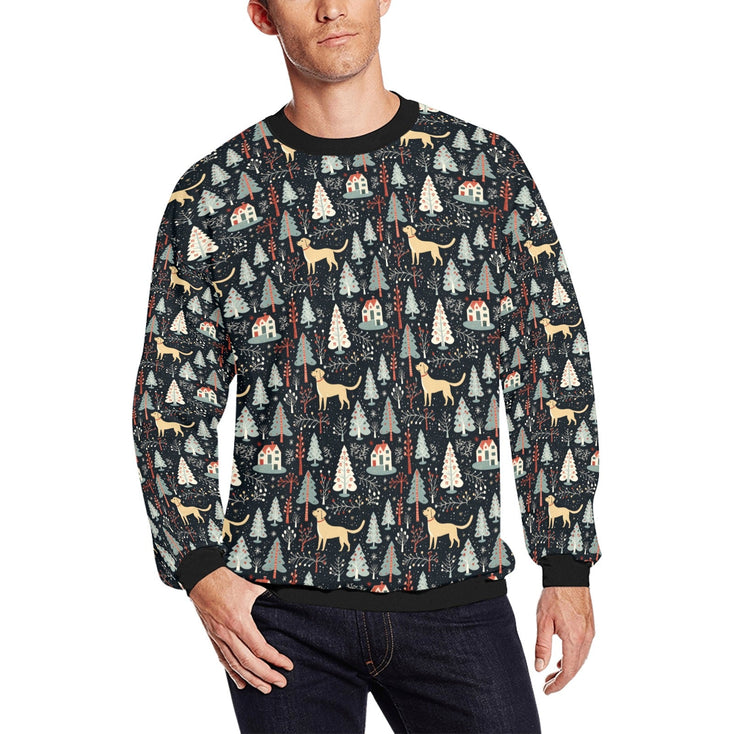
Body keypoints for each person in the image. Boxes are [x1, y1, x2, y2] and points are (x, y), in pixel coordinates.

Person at [131, 1, 602, 731]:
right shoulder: (215, 194)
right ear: (261, 15)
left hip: (457, 594)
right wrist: (201, 573)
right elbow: (171, 403)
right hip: (280, 615)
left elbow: (550, 366)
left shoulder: (483, 169)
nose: (331, 6)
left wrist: (565, 566)